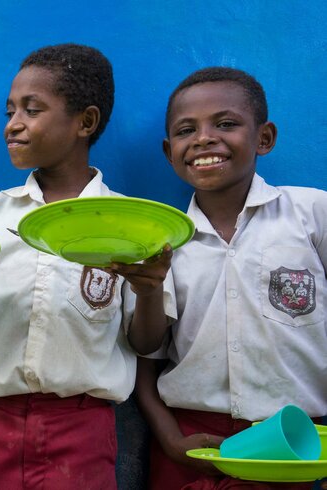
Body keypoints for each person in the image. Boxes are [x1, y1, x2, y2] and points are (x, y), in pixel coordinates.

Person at [0, 44, 175, 489]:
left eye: (32, 110)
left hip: (81, 431)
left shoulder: (130, 223)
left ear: (85, 123)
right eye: (10, 111)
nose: (13, 125)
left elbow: (145, 340)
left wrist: (149, 290)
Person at [135, 66, 327, 490]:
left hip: (293, 445)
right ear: (170, 151)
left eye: (225, 124)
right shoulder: (160, 241)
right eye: (187, 130)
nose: (204, 138)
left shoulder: (313, 216)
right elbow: (145, 359)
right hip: (190, 444)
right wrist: (169, 439)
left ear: (264, 137)